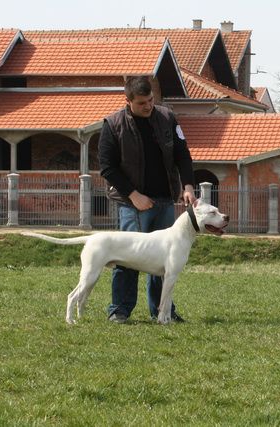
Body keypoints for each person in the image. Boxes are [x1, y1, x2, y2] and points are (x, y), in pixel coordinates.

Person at [98, 76, 196, 323]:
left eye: (151, 100)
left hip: (164, 200)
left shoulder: (167, 118)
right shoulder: (112, 124)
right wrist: (134, 195)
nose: (148, 106)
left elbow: (183, 155)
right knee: (128, 258)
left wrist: (187, 185)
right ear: (128, 100)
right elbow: (107, 168)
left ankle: (162, 312)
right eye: (142, 102)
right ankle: (119, 311)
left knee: (164, 263)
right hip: (132, 204)